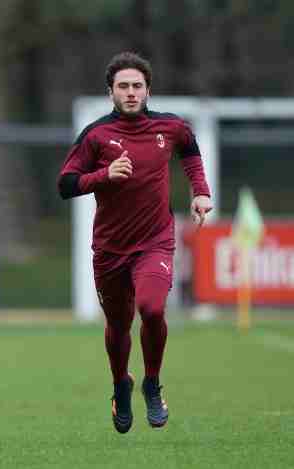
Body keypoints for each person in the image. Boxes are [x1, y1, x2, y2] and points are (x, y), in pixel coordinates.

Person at [57, 51, 212, 434]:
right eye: (123, 86)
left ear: (148, 90)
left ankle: (152, 383)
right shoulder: (95, 135)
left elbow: (190, 151)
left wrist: (200, 191)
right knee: (118, 324)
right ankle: (120, 385)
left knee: (152, 309)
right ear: (110, 92)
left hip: (155, 241)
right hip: (110, 249)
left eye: (137, 86)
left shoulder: (170, 127)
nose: (130, 92)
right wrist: (104, 175)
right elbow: (66, 184)